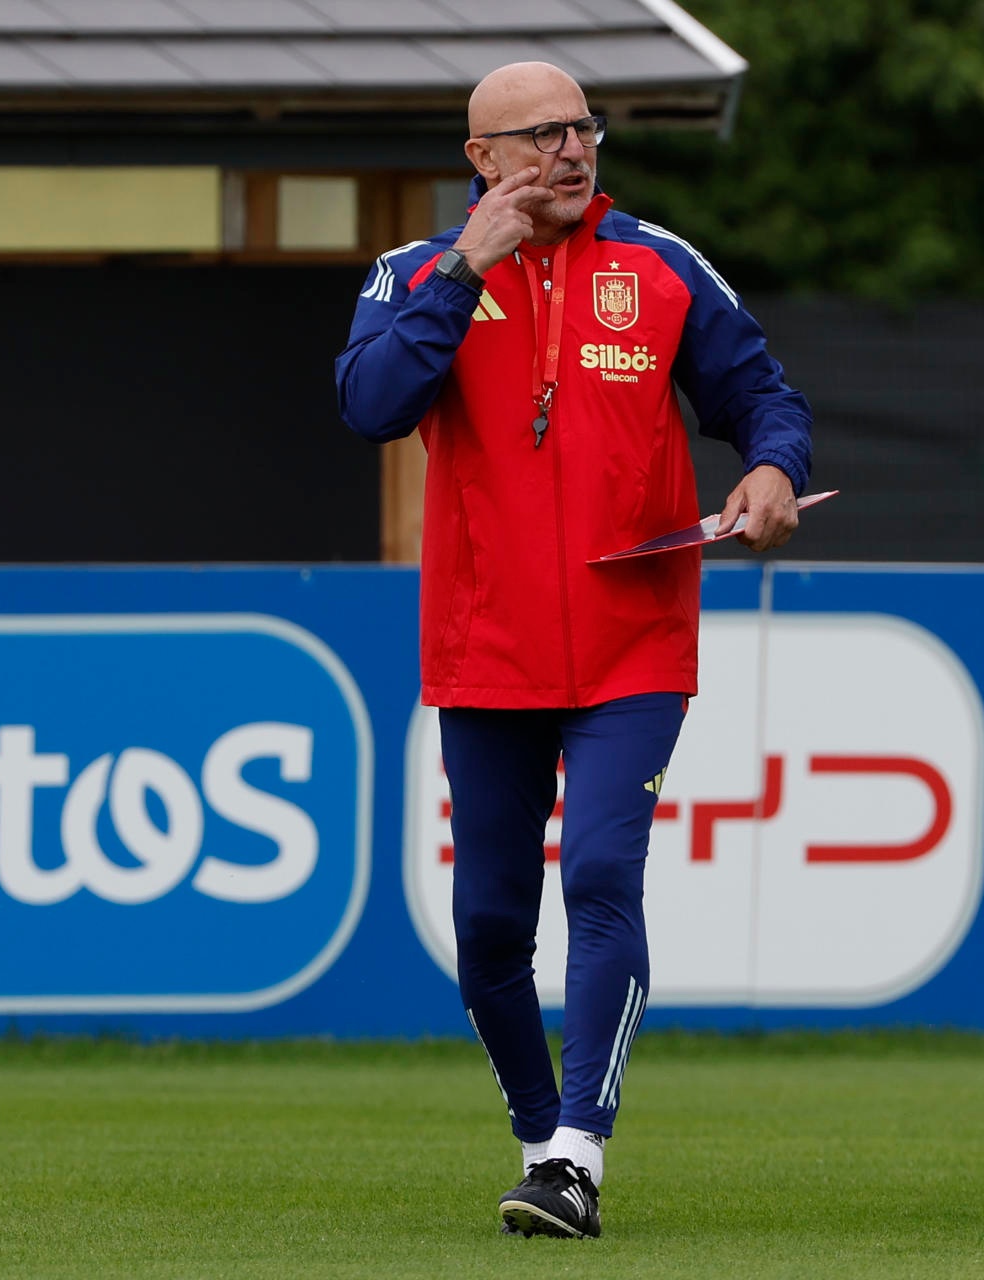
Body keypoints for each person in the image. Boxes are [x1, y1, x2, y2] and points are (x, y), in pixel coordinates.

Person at [334, 62, 813, 1239]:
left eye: (583, 127)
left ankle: (578, 1153)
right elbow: (370, 402)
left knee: (601, 877)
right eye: (541, 133)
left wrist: (771, 469)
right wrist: (467, 269)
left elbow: (765, 397)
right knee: (491, 925)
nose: (571, 148)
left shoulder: (660, 264)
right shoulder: (416, 275)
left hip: (633, 637)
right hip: (483, 644)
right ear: (482, 158)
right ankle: (542, 1130)